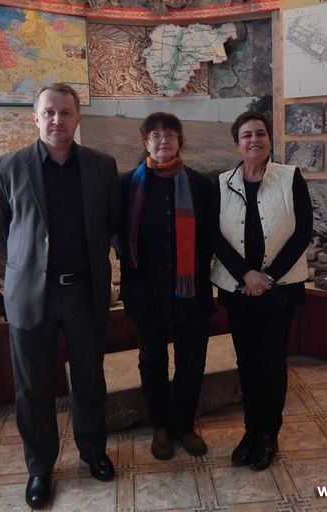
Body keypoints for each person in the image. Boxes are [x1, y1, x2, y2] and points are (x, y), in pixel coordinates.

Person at [0, 83, 119, 508]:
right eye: (49, 113)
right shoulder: (8, 167)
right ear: (36, 118)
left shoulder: (102, 166)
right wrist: (28, 263)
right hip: (30, 296)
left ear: (78, 118)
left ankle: (93, 451)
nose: (57, 120)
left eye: (65, 113)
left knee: (90, 379)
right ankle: (40, 467)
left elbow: (111, 221)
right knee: (32, 386)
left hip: (84, 292)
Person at [210, 110, 312, 470]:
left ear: (269, 139)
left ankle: (269, 434)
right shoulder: (221, 183)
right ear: (237, 144)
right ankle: (251, 431)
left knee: (271, 362)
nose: (254, 140)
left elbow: (303, 232)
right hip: (238, 290)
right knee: (247, 361)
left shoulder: (290, 177)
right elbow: (214, 236)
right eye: (247, 135)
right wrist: (245, 275)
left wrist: (267, 278)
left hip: (279, 290)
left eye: (260, 134)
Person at [117, 112, 214, 460]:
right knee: (152, 361)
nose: (163, 141)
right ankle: (160, 426)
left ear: (179, 141)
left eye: (170, 134)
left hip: (191, 292)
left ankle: (184, 425)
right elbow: (115, 231)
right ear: (145, 141)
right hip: (145, 292)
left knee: (192, 362)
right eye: (155, 135)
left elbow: (211, 235)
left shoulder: (201, 185)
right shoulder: (127, 184)